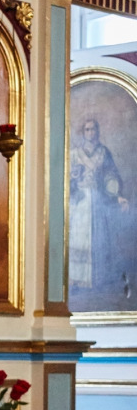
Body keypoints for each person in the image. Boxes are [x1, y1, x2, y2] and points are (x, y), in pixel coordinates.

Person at [69, 117, 131, 295]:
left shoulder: (104, 153)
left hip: (97, 201)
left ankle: (98, 279)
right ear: (83, 132)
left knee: (99, 238)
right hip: (79, 202)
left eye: (93, 129)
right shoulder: (74, 154)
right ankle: (77, 280)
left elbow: (110, 176)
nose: (90, 133)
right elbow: (65, 179)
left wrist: (117, 195)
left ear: (98, 131)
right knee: (77, 238)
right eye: (87, 130)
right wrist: (73, 178)